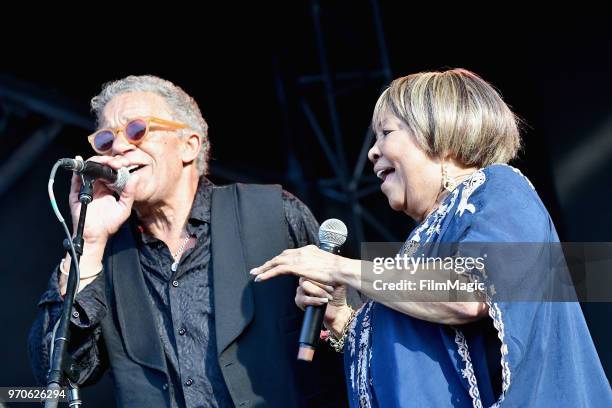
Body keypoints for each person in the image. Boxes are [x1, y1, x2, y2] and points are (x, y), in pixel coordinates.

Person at [251, 68, 612, 407]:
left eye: (386, 133)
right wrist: (341, 317)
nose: (372, 151)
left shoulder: (498, 188)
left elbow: (469, 293)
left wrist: (339, 267)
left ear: (439, 133)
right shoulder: (422, 243)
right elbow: (411, 362)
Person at [28, 75, 346, 407]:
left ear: (189, 145)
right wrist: (90, 244)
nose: (119, 147)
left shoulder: (274, 213)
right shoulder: (103, 256)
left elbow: (351, 335)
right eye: (106, 140)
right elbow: (59, 372)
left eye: (137, 130)